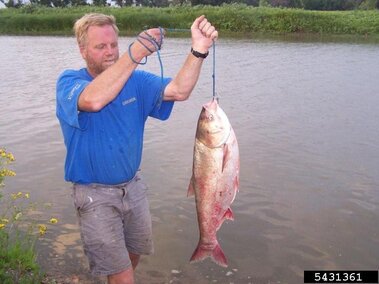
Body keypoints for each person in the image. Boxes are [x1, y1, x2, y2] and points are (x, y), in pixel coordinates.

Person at [56, 13, 218, 284]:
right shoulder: (69, 82)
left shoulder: (136, 81)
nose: (110, 52)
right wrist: (134, 54)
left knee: (132, 257)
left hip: (134, 188)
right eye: (100, 46)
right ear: (82, 50)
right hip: (95, 195)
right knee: (122, 275)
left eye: (113, 45)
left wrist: (199, 49)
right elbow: (94, 100)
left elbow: (179, 90)